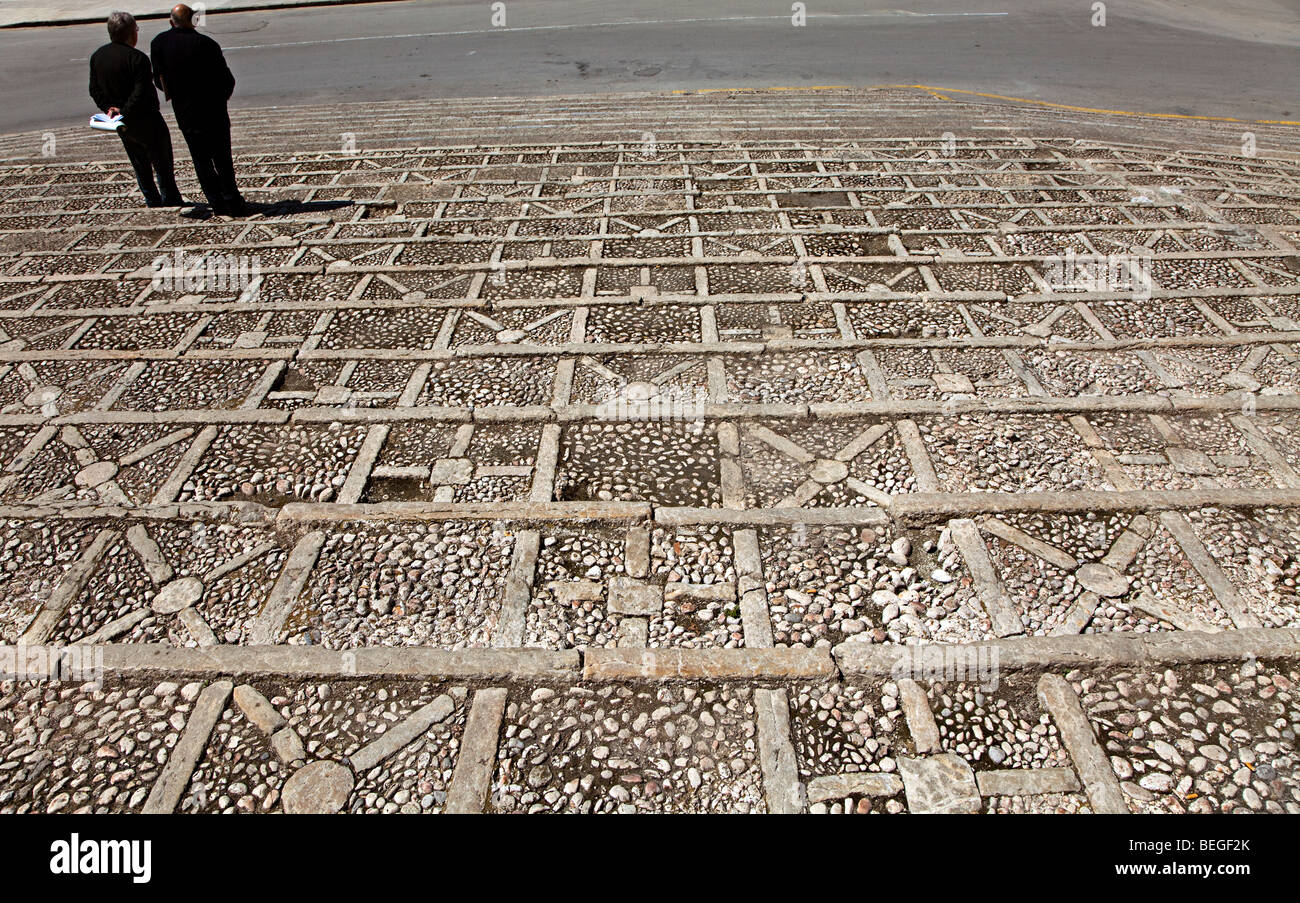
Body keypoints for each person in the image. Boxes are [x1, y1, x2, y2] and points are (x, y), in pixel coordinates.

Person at [150, 4, 247, 216]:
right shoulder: (207, 44)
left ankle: (216, 201)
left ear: (170, 21)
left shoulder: (158, 43)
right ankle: (232, 199)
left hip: (186, 113)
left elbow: (159, 79)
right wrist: (222, 98)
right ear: (193, 21)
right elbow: (226, 79)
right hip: (214, 111)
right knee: (222, 157)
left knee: (200, 159)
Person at [88, 11, 183, 208]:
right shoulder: (138, 58)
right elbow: (141, 92)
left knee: (139, 163)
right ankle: (171, 199)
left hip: (121, 123)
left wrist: (111, 110)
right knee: (162, 162)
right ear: (131, 33)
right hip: (146, 119)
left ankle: (152, 199)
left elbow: (94, 89)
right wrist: (124, 111)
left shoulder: (98, 56)